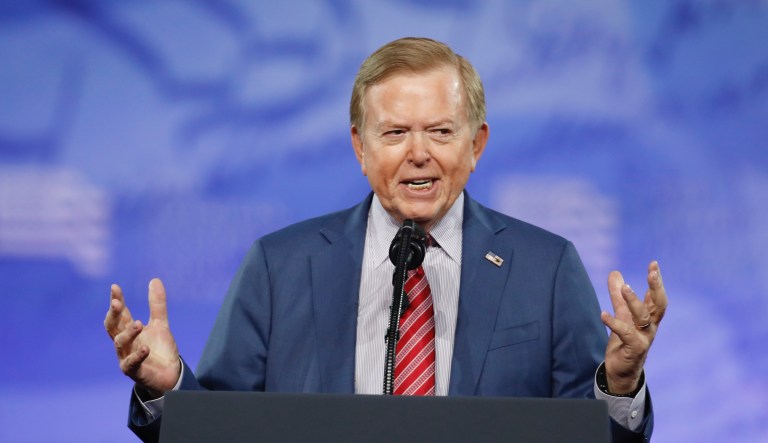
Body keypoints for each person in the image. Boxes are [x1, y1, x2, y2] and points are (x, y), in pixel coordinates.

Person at [105, 37, 667, 442]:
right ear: (359, 146)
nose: (418, 152)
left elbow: (594, 440)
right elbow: (218, 432)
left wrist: (618, 384)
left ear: (476, 146)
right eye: (395, 132)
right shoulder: (280, 266)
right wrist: (167, 387)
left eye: (441, 132)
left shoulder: (545, 267)